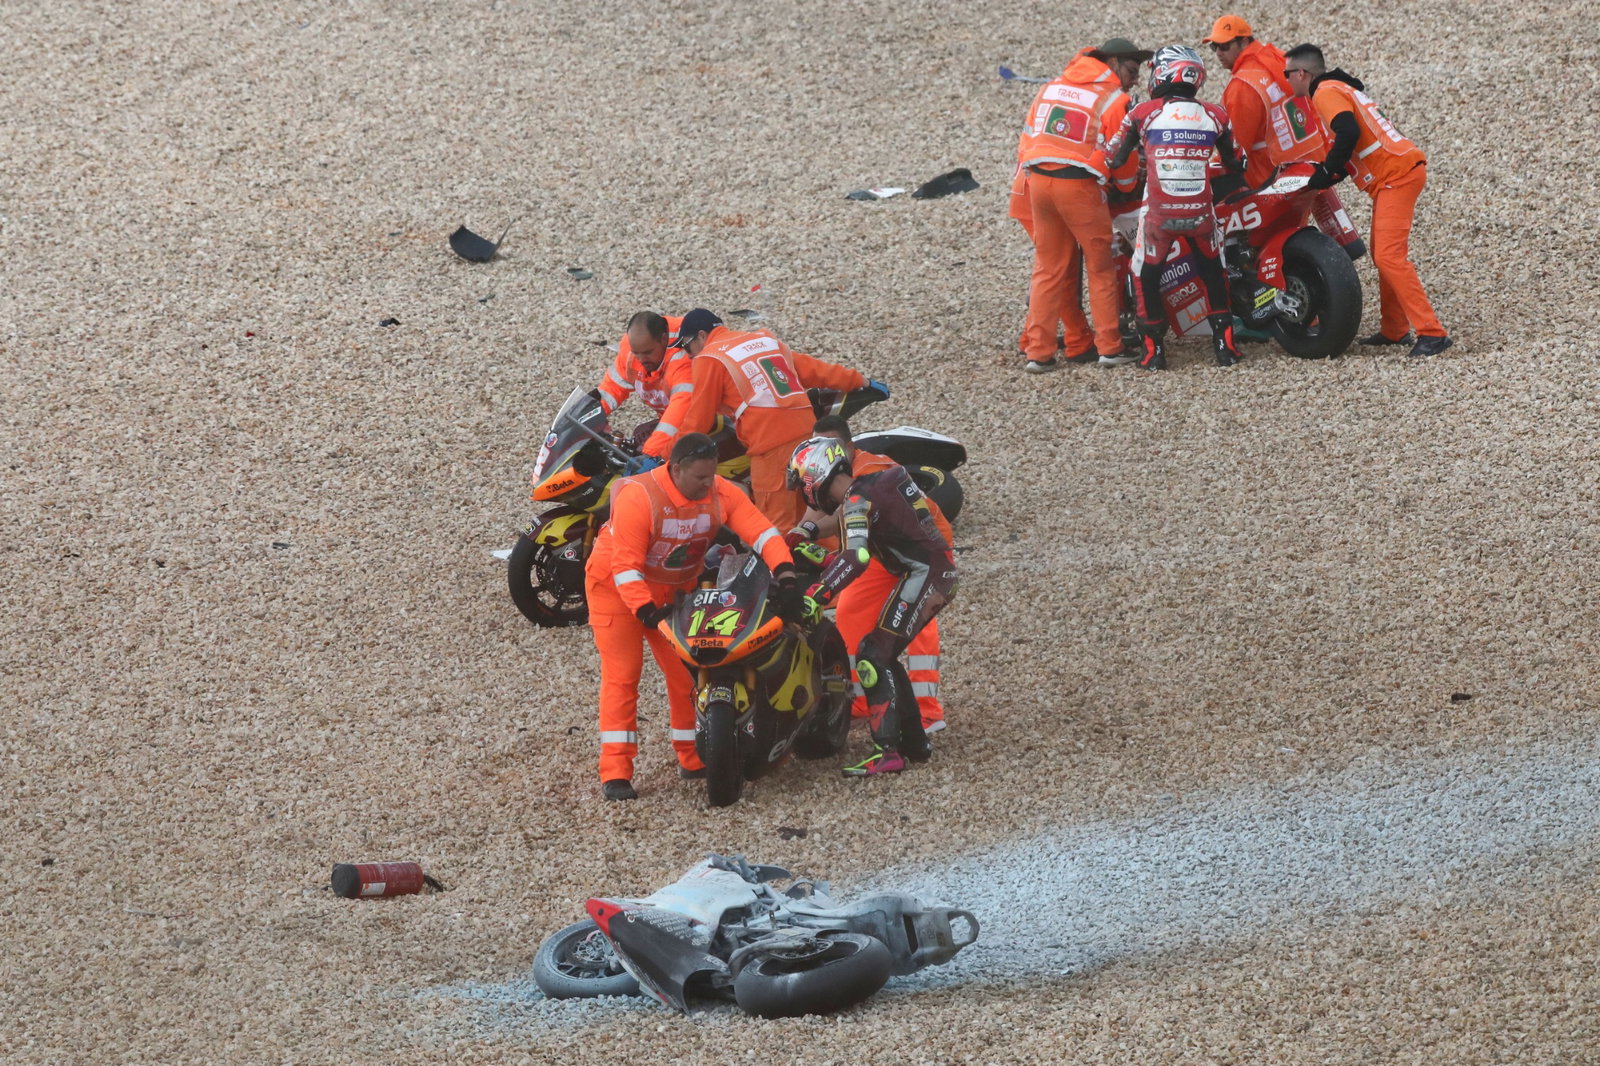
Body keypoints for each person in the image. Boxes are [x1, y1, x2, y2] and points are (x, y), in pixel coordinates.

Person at [584, 432, 798, 800]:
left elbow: (762, 533)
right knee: (622, 677)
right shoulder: (641, 497)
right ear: (676, 468)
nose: (707, 484)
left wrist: (786, 574)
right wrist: (647, 611)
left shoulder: (720, 490)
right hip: (615, 590)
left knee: (689, 675)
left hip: (674, 593)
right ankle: (615, 772)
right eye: (700, 477)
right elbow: (625, 567)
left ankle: (693, 757)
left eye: (711, 476)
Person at [788, 437, 958, 776]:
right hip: (927, 570)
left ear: (813, 478)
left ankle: (888, 752)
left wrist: (817, 595)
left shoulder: (857, 499)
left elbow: (858, 556)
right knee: (883, 653)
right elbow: (870, 547)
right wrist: (820, 557)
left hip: (925, 574)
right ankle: (915, 744)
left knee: (871, 656)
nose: (803, 495)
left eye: (801, 484)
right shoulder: (870, 487)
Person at [1285, 44, 1452, 358]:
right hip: (1398, 171)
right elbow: (1357, 136)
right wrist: (1334, 172)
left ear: (1302, 73)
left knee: (1389, 256)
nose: (1286, 81)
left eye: (1287, 74)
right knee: (1384, 254)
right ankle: (1394, 329)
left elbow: (1347, 132)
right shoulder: (1341, 86)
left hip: (1396, 176)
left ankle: (1432, 334)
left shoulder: (1323, 92)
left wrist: (1327, 172)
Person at [673, 308, 885, 530]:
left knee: (773, 527)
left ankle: (786, 564)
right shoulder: (764, 341)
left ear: (702, 335)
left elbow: (698, 420)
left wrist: (669, 456)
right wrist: (860, 380)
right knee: (813, 516)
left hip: (771, 447)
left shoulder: (709, 357)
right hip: (808, 436)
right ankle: (833, 561)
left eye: (687, 346)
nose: (688, 355)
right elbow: (815, 370)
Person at [1105, 45, 1246, 370]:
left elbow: (1113, 157)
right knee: (1214, 273)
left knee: (1144, 274)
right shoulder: (1216, 114)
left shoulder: (1143, 112)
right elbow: (1237, 162)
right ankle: (1225, 349)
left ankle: (1153, 354)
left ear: (1163, 73)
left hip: (1159, 216)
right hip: (1200, 214)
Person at [1015, 37, 1150, 373]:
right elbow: (1125, 156)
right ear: (1113, 63)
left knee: (1048, 269)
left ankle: (1039, 353)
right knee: (1101, 265)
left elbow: (1028, 137)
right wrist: (1126, 186)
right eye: (1132, 70)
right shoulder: (1114, 98)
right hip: (1078, 185)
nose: (1135, 80)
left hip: (1037, 182)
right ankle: (1110, 347)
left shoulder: (1051, 87)